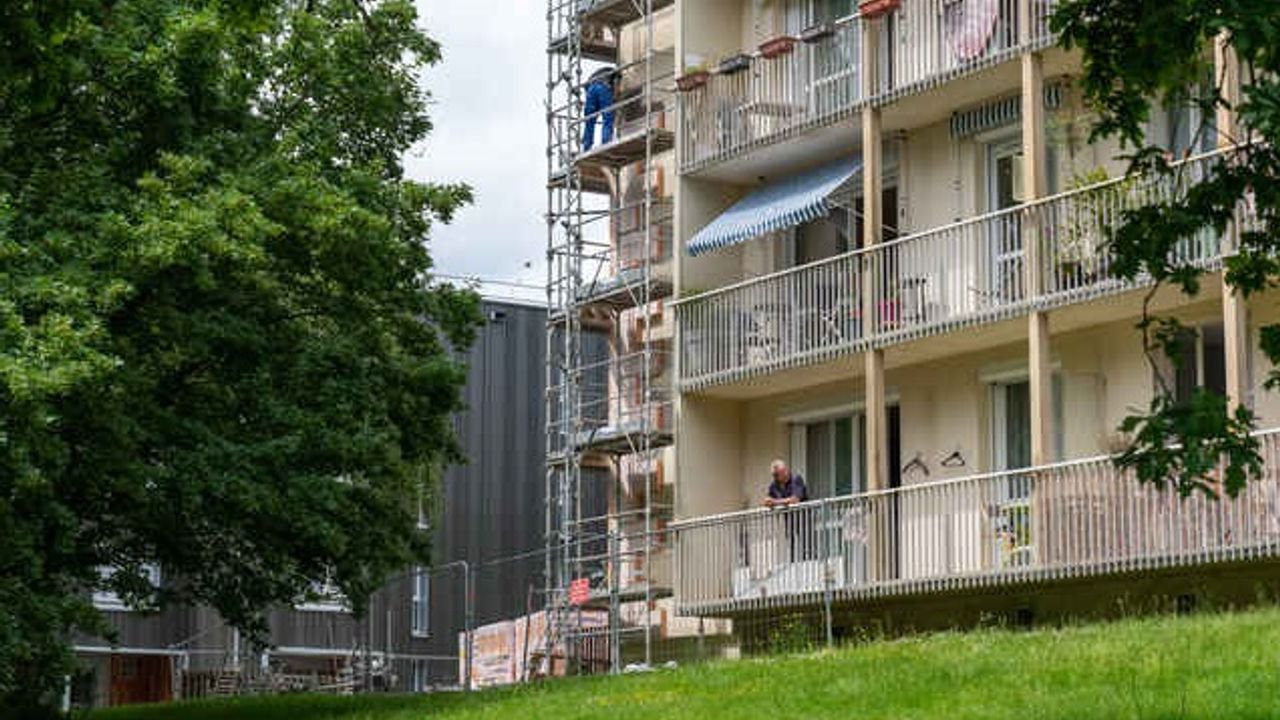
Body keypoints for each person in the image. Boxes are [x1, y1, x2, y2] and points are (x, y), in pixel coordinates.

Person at [582, 66, 617, 152]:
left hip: (590, 89)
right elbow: (617, 86)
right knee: (607, 116)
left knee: (589, 120)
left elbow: (586, 87)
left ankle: (586, 146)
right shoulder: (615, 73)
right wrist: (614, 99)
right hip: (603, 87)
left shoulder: (598, 74)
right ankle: (606, 142)